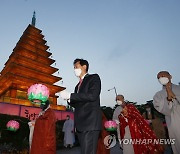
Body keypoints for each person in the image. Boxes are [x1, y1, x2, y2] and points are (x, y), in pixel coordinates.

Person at [60, 58, 102, 154]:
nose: (74, 69)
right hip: (81, 124)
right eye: (74, 67)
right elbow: (78, 103)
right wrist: (69, 99)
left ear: (84, 66)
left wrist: (71, 95)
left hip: (90, 122)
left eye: (76, 67)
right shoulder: (77, 86)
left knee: (88, 151)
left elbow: (92, 95)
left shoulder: (93, 78)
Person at [153, 71, 180, 154]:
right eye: (159, 78)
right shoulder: (158, 95)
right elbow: (162, 109)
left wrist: (175, 96)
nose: (161, 78)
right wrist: (168, 99)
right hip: (173, 124)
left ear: (170, 76)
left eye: (163, 75)